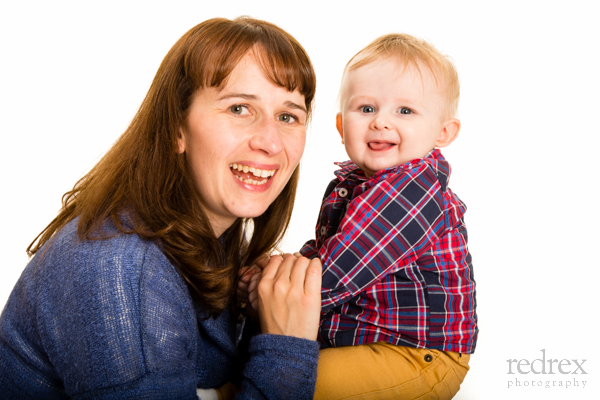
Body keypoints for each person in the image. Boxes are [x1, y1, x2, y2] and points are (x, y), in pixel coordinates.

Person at [0, 17, 322, 400]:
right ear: (176, 129)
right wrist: (285, 347)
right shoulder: (121, 270)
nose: (271, 142)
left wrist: (259, 316)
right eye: (239, 108)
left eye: (288, 116)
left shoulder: (212, 244)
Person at [241, 33, 478, 399]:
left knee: (297, 379)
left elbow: (337, 272)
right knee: (264, 359)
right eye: (366, 109)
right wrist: (278, 269)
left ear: (443, 132)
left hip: (415, 357)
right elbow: (327, 250)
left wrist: (268, 286)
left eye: (405, 111)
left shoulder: (411, 190)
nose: (381, 122)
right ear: (340, 126)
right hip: (372, 342)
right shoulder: (356, 184)